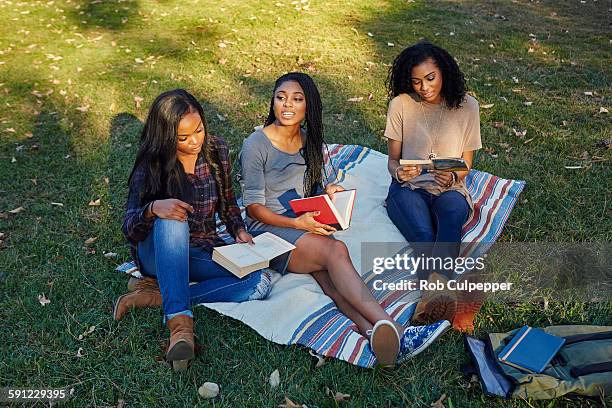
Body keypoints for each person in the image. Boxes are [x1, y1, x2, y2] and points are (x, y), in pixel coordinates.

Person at [239, 72, 450, 367]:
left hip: (304, 220)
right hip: (269, 230)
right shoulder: (255, 144)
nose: (287, 105)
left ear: (308, 107)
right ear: (272, 101)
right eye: (281, 97)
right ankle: (397, 330)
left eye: (297, 99)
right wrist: (298, 224)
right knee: (335, 252)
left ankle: (373, 333)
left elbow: (318, 182)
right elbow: (252, 209)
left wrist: (330, 190)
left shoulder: (308, 140)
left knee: (330, 280)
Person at [115, 89, 272, 371]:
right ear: (165, 136)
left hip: (200, 249)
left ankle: (159, 295)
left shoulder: (215, 149)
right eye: (183, 138)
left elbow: (227, 201)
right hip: (158, 252)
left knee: (257, 282)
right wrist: (153, 209)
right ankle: (180, 327)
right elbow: (129, 227)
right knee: (172, 217)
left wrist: (238, 230)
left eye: (198, 130)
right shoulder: (151, 165)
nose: (195, 141)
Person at [384, 42, 483, 332]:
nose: (424, 87)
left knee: (451, 215)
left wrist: (453, 179)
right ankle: (440, 298)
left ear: (444, 73)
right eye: (416, 81)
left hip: (449, 186)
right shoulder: (401, 104)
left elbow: (465, 163)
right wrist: (400, 172)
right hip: (409, 187)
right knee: (425, 234)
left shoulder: (468, 106)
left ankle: (430, 303)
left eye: (430, 78)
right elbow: (392, 160)